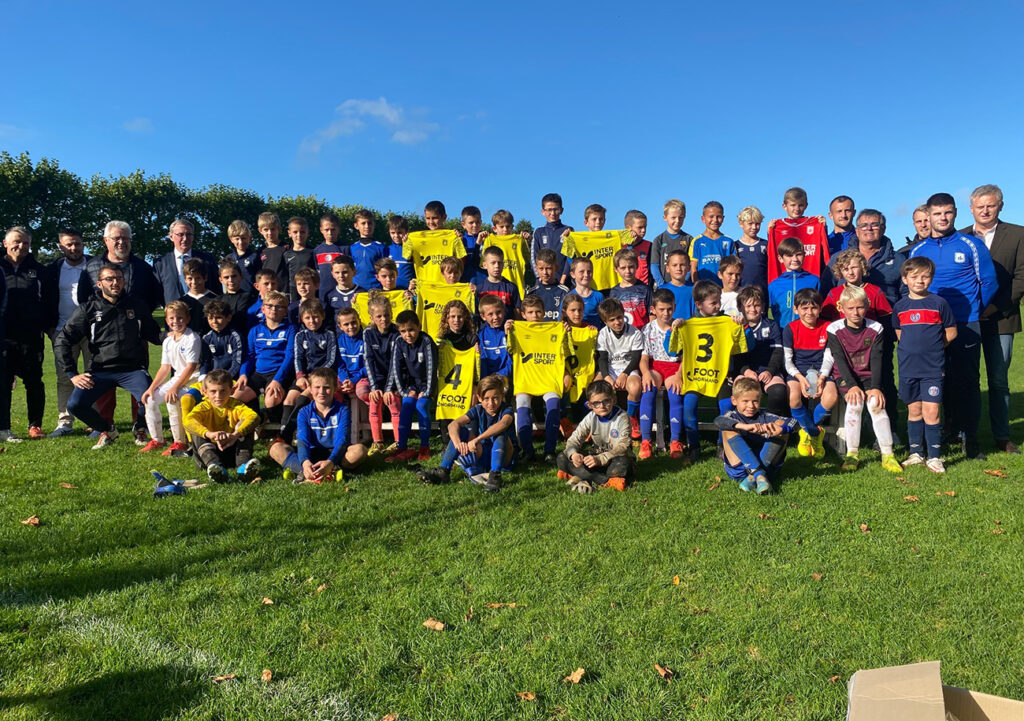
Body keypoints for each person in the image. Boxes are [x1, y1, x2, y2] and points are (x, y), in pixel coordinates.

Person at [908, 192, 998, 460]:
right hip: (929, 328)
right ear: (929, 216)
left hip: (966, 323)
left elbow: (989, 282)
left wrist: (973, 310)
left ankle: (971, 439)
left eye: (947, 212)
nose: (943, 218)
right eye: (937, 213)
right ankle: (945, 431)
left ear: (955, 213)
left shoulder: (971, 244)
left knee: (968, 381)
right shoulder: (918, 250)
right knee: (937, 380)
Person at [55, 264, 162, 450]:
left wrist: (174, 336)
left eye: (119, 279)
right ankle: (108, 430)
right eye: (109, 279)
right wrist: (72, 373)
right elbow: (62, 340)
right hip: (100, 370)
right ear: (99, 284)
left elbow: (153, 334)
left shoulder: (136, 305)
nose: (115, 283)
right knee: (75, 405)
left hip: (133, 368)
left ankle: (140, 427)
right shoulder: (87, 309)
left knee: (149, 399)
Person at [75, 220, 162, 441]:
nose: (121, 242)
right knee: (102, 381)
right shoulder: (92, 266)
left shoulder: (143, 267)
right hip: (102, 334)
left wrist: (139, 319)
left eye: (125, 238)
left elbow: (153, 297)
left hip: (135, 331)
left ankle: (140, 425)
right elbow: (83, 298)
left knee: (139, 381)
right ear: (106, 241)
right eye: (116, 238)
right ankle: (104, 425)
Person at [959, 184, 1024, 454]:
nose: (985, 210)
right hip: (967, 322)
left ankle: (1001, 436)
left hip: (1001, 320)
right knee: (966, 379)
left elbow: (1021, 277)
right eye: (980, 206)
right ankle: (964, 434)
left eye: (991, 205)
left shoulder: (1018, 235)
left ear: (1000, 206)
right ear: (971, 209)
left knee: (998, 381)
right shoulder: (960, 237)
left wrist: (992, 308)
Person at [824, 285, 902, 473]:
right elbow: (839, 359)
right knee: (855, 404)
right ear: (841, 308)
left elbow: (877, 358)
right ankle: (852, 454)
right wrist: (851, 386)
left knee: (876, 404)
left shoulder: (877, 328)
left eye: (860, 307)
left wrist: (875, 387)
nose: (855, 312)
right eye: (850, 308)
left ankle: (888, 454)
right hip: (845, 376)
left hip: (869, 376)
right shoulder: (834, 329)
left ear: (867, 306)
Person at [893, 257, 958, 473]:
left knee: (932, 412)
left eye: (925, 276)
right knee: (914, 411)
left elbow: (951, 332)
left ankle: (935, 457)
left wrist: (933, 349)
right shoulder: (900, 306)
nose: (920, 281)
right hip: (908, 368)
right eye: (914, 277)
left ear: (931, 278)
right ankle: (916, 453)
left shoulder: (939, 303)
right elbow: (901, 335)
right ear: (905, 279)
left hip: (932, 368)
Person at [416, 374, 516, 492]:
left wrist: (477, 439)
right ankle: (443, 471)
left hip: (504, 456)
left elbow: (503, 424)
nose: (491, 403)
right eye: (486, 399)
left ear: (502, 397)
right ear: (479, 398)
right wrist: (458, 443)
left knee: (500, 433)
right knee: (461, 431)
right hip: (483, 454)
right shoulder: (478, 409)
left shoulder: (506, 409)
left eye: (495, 398)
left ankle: (495, 476)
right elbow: (452, 425)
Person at [270, 368, 368, 483]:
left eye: (326, 387)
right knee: (275, 449)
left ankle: (320, 471)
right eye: (317, 387)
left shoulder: (343, 410)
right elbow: (302, 441)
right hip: (311, 453)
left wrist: (331, 461)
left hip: (335, 453)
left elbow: (342, 440)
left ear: (335, 389)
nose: (321, 392)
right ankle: (311, 471)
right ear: (310, 389)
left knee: (360, 450)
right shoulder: (304, 412)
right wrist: (305, 462)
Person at [506, 295, 572, 463]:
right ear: (523, 314)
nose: (534, 315)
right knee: (522, 407)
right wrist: (508, 332)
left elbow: (567, 352)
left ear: (544, 313)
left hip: (549, 378)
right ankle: (528, 451)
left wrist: (567, 333)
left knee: (553, 406)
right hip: (526, 379)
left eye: (538, 312)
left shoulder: (554, 329)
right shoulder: (517, 330)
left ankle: (549, 451)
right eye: (530, 312)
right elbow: (510, 349)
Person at [42, 227, 91, 437]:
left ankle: (95, 421)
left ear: (83, 244)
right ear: (61, 246)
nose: (73, 248)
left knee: (94, 377)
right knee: (64, 378)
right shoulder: (51, 270)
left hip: (92, 332)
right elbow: (43, 301)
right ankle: (65, 422)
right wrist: (51, 329)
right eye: (68, 244)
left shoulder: (95, 265)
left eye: (77, 243)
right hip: (62, 332)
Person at [0, 226, 48, 441]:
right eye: (17, 242)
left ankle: (35, 425)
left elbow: (48, 301)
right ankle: (4, 428)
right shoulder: (0, 267)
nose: (21, 246)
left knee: (34, 382)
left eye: (26, 243)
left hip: (31, 336)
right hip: (4, 337)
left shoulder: (38, 269)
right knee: (3, 382)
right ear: (5, 243)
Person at [715, 377, 797, 495]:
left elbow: (794, 422)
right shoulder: (732, 415)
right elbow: (718, 421)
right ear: (734, 400)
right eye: (745, 401)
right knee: (728, 427)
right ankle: (759, 475)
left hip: (767, 467)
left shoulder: (765, 416)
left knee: (780, 425)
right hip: (740, 469)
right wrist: (743, 426)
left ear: (760, 399)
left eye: (755, 401)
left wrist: (781, 429)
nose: (751, 406)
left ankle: (755, 476)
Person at [139, 300, 201, 455]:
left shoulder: (192, 338)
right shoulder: (167, 341)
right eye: (172, 318)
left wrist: (175, 387)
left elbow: (190, 367)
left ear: (187, 319)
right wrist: (151, 388)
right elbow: (165, 368)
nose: (176, 321)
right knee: (150, 399)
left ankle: (179, 442)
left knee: (171, 398)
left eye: (180, 318)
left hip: (194, 380)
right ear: (166, 320)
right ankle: (157, 440)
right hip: (178, 378)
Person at [182, 369, 262, 484]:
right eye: (213, 391)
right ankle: (215, 468)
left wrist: (235, 435)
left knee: (246, 425)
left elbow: (254, 417)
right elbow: (187, 421)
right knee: (196, 428)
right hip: (207, 454)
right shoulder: (204, 407)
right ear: (204, 392)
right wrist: (209, 434)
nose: (218, 396)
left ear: (232, 390)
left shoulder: (236, 405)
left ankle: (243, 467)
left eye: (223, 391)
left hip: (232, 452)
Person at [556, 379, 634, 494]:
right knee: (562, 457)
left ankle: (587, 477)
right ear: (589, 405)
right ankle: (603, 480)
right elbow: (574, 439)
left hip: (615, 458)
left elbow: (623, 446)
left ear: (613, 400)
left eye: (606, 401)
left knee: (621, 464)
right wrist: (574, 455)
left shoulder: (622, 417)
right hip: (595, 457)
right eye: (596, 403)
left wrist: (601, 459)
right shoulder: (590, 417)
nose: (601, 406)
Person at [637, 288, 686, 460]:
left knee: (675, 394)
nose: (666, 313)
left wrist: (679, 374)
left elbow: (686, 357)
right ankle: (646, 441)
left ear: (674, 307)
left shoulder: (681, 327)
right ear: (654, 309)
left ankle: (675, 441)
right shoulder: (647, 329)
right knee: (648, 389)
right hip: (656, 366)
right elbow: (644, 359)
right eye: (662, 309)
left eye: (669, 309)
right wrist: (646, 374)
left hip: (675, 367)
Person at [280, 299, 338, 440]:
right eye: (308, 317)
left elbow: (331, 359)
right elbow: (298, 358)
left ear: (323, 316)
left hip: (323, 377)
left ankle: (287, 434)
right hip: (304, 377)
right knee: (289, 400)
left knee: (302, 398)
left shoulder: (329, 334)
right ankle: (283, 435)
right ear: (302, 319)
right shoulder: (300, 336)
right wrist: (300, 376)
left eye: (316, 316)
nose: (312, 321)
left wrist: (314, 377)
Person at [234, 290, 295, 424]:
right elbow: (249, 356)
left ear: (285, 311)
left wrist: (277, 380)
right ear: (263, 309)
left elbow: (290, 357)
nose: (274, 309)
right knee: (235, 398)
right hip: (259, 373)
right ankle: (257, 417)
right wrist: (243, 374)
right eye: (269, 306)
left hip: (278, 374)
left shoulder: (290, 329)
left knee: (271, 400)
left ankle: (276, 436)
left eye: (279, 306)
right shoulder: (255, 330)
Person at [384, 310, 437, 463]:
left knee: (421, 406)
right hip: (411, 386)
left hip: (428, 385)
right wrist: (404, 391)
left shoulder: (426, 341)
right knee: (406, 407)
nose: (408, 334)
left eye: (411, 330)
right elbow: (395, 368)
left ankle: (424, 447)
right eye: (403, 331)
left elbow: (431, 369)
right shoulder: (399, 342)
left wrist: (426, 391)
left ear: (419, 327)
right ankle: (402, 447)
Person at [782, 288, 830, 458]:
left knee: (830, 397)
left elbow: (829, 358)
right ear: (796, 309)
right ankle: (813, 433)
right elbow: (787, 361)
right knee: (793, 398)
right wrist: (801, 378)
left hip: (823, 371)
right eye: (804, 308)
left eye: (814, 308)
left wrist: (822, 377)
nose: (809, 312)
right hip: (797, 372)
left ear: (820, 308)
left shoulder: (827, 327)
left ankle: (807, 431)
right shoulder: (790, 329)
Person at [735, 285, 788, 415]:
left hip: (769, 371)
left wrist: (770, 371)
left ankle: (769, 427)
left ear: (763, 306)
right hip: (746, 371)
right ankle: (744, 428)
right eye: (748, 306)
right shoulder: (736, 327)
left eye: (757, 305)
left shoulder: (772, 325)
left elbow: (778, 352)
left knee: (778, 392)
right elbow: (735, 355)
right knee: (740, 393)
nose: (753, 309)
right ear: (740, 308)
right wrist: (745, 371)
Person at [595, 297, 643, 440]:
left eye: (619, 317)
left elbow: (636, 358)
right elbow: (602, 359)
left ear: (624, 314)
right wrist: (607, 377)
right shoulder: (603, 334)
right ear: (605, 322)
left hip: (628, 368)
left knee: (635, 387)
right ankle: (598, 424)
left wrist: (625, 374)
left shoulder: (635, 332)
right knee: (595, 388)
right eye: (612, 320)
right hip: (610, 369)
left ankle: (631, 419)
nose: (617, 322)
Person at [362, 294, 403, 455]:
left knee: (391, 399)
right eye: (379, 316)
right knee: (374, 399)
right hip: (377, 378)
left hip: (395, 378)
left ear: (391, 314)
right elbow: (368, 360)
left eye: (386, 315)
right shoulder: (367, 333)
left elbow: (396, 363)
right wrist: (374, 387)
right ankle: (377, 441)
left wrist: (389, 388)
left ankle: (400, 442)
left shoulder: (397, 333)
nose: (383, 319)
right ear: (372, 317)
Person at [844, 209, 906, 308]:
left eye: (874, 225)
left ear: (883, 229)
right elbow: (827, 291)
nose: (869, 228)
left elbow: (906, 296)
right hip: (848, 320)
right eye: (863, 225)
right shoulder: (840, 259)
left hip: (886, 319)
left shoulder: (899, 261)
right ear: (857, 231)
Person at [766, 187, 830, 283]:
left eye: (800, 205)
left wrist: (823, 228)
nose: (797, 209)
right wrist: (769, 233)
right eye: (793, 205)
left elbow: (825, 252)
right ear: (784, 206)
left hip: (809, 281)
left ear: (806, 206)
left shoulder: (816, 224)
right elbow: (771, 254)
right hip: (785, 280)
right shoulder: (776, 227)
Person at [153, 219, 220, 307]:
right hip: (176, 316)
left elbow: (217, 288)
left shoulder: (207, 260)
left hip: (204, 314)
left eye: (188, 234)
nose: (185, 239)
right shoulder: (160, 263)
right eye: (180, 235)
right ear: (171, 237)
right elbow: (157, 293)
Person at [821, 250, 893, 323]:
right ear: (840, 271)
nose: (850, 272)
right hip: (841, 333)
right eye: (846, 269)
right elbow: (824, 319)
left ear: (862, 267)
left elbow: (886, 319)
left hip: (869, 332)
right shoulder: (834, 293)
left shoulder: (875, 291)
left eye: (854, 268)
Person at [768, 238, 819, 327]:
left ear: (804, 255)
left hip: (808, 331)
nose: (795, 259)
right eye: (789, 255)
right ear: (780, 258)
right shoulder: (774, 285)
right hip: (783, 332)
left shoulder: (814, 281)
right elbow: (773, 311)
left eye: (798, 254)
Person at [689, 201, 734, 284]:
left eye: (718, 217)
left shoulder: (729, 241)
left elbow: (733, 267)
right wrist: (696, 287)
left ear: (723, 218)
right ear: (703, 219)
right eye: (711, 216)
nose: (715, 220)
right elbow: (693, 268)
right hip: (704, 290)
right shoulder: (697, 241)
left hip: (724, 289)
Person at [650, 199, 692, 288]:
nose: (677, 221)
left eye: (681, 217)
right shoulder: (658, 240)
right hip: (664, 287)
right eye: (673, 217)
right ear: (665, 218)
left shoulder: (689, 239)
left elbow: (691, 265)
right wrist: (662, 285)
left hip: (683, 286)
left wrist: (684, 282)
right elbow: (654, 266)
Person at [530, 193, 572, 282]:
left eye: (555, 209)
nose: (552, 213)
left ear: (561, 210)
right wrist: (539, 277)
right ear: (543, 212)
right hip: (543, 282)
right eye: (549, 210)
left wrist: (563, 278)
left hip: (564, 282)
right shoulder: (538, 232)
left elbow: (570, 256)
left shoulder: (568, 230)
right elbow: (534, 257)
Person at [610, 248, 652, 329]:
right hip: (623, 336)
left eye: (631, 267)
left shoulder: (645, 289)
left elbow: (652, 314)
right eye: (623, 268)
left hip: (642, 334)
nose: (628, 271)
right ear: (616, 269)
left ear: (637, 266)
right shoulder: (614, 292)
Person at [476, 245, 520, 320]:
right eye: (493, 263)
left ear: (503, 264)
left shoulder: (511, 287)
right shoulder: (479, 289)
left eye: (499, 263)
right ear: (485, 265)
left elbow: (517, 314)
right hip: (486, 330)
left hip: (506, 330)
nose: (497, 266)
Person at [526, 248, 570, 322]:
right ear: (536, 268)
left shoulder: (564, 292)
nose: (545, 272)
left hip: (556, 332)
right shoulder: (532, 293)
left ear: (556, 268)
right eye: (541, 269)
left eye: (548, 268)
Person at [733, 206, 769, 291]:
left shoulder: (765, 244)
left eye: (757, 224)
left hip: (763, 292)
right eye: (750, 223)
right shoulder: (735, 245)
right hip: (742, 293)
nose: (754, 227)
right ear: (741, 223)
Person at [478, 294, 512, 383]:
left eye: (498, 312)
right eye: (490, 314)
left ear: (504, 311)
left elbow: (513, 358)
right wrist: (487, 380)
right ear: (483, 317)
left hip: (506, 380)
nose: (496, 317)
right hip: (486, 382)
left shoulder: (510, 332)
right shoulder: (480, 336)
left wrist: (501, 375)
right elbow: (482, 361)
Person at [178, 258, 218, 335]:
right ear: (185, 280)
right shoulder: (181, 302)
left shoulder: (215, 300)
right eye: (190, 278)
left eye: (198, 278)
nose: (194, 282)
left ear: (205, 278)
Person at [217, 259, 255, 338]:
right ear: (221, 280)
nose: (231, 280)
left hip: (244, 337)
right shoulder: (218, 300)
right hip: (224, 339)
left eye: (234, 276)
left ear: (241, 276)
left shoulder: (250, 297)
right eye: (226, 277)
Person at [350, 209, 387, 290]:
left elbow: (386, 271)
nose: (367, 226)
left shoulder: (381, 247)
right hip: (356, 289)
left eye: (369, 223)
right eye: (363, 223)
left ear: (374, 225)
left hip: (376, 289)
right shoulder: (352, 248)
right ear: (356, 226)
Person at [314, 212, 346, 300]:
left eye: (333, 229)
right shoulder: (317, 250)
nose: (330, 233)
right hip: (323, 293)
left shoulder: (345, 249)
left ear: (338, 229)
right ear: (321, 230)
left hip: (341, 292)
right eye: (326, 230)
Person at [284, 216, 316, 301]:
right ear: (289, 233)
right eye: (295, 232)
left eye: (302, 232)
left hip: (309, 289)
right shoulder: (286, 254)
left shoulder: (313, 252)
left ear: (308, 233)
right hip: (293, 289)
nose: (299, 235)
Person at [566, 257, 604, 328]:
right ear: (573, 274)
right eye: (581, 272)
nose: (586, 275)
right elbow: (562, 320)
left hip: (594, 337)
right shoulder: (568, 297)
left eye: (589, 272)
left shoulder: (599, 296)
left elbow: (605, 321)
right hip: (575, 336)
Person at [257, 211, 289, 294]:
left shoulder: (287, 248)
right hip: (267, 295)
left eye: (273, 229)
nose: (269, 233)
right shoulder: (259, 252)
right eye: (266, 230)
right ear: (260, 231)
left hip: (284, 294)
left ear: (279, 229)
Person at [660, 249, 696, 320]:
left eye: (682, 265)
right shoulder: (662, 290)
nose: (678, 268)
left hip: (690, 328)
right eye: (674, 265)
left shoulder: (695, 289)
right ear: (667, 268)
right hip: (669, 329)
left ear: (689, 267)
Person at [226, 219, 261, 288]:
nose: (241, 242)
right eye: (237, 239)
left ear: (250, 238)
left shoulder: (255, 257)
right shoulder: (228, 259)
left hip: (252, 296)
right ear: (231, 239)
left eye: (243, 238)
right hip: (234, 296)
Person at [385, 215, 414, 290]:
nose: (396, 235)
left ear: (407, 232)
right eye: (393, 233)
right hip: (392, 292)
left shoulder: (413, 250)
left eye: (399, 232)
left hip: (409, 292)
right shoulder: (386, 250)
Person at [459, 205, 483, 283]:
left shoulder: (486, 239)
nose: (475, 225)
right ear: (463, 225)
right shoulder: (461, 240)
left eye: (477, 222)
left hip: (483, 280)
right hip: (465, 280)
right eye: (471, 223)